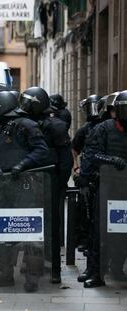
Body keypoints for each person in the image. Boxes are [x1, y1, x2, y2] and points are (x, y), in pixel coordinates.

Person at [0, 90, 50, 292]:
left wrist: (22, 165)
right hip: (4, 187)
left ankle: (32, 276)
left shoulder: (28, 125)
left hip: (26, 186)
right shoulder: (0, 129)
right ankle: (5, 273)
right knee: (4, 231)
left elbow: (41, 150)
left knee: (30, 231)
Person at [16, 87, 72, 284]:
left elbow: (66, 160)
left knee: (52, 228)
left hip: (50, 181)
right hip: (29, 181)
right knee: (30, 225)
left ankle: (54, 269)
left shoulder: (56, 126)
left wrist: (60, 184)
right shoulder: (24, 124)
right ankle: (33, 265)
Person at [78, 90, 127, 288]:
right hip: (107, 187)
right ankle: (95, 272)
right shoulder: (104, 128)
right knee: (98, 232)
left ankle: (116, 268)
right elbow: (92, 155)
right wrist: (110, 161)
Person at [72, 95, 103, 253]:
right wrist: (77, 168)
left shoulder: (106, 126)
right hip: (86, 174)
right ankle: (84, 240)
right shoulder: (85, 129)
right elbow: (74, 149)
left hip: (104, 175)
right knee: (84, 208)